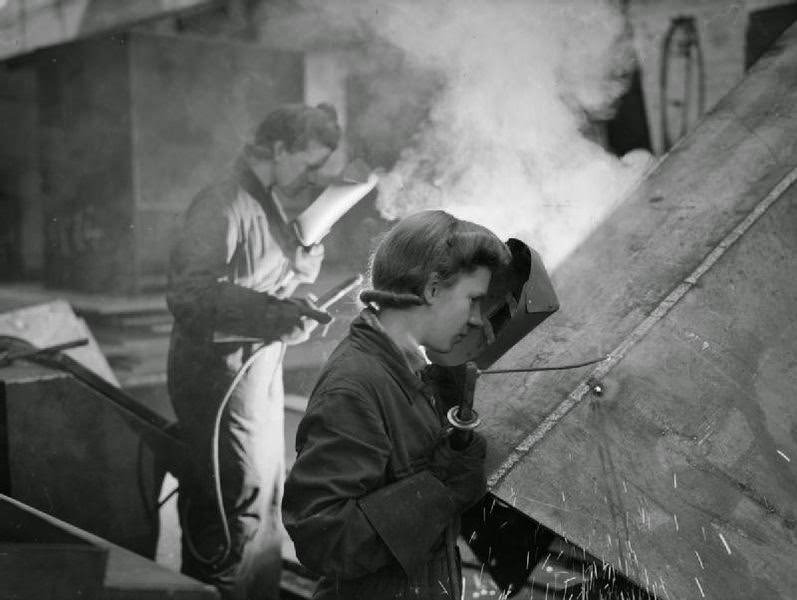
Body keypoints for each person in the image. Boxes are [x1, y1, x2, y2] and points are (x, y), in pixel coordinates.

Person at [282, 210, 512, 599]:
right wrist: (438, 485)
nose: (475, 318)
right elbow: (324, 540)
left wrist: (451, 396)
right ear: (433, 290)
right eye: (472, 300)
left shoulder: (407, 370)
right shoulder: (356, 386)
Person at [166, 103, 341, 600]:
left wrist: (309, 243)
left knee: (262, 494)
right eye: (308, 164)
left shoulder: (265, 201)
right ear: (280, 148)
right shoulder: (221, 203)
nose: (312, 177)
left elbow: (288, 275)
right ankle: (216, 590)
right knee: (230, 500)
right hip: (218, 380)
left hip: (254, 373)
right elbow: (189, 295)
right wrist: (275, 314)